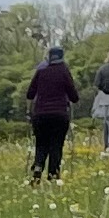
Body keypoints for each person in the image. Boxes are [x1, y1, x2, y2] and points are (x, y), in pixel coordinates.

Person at [25, 46, 79, 184]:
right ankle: (53, 176)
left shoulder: (41, 71)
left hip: (40, 114)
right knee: (56, 145)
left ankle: (38, 167)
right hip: (59, 114)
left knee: (41, 144)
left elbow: (30, 93)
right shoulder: (64, 71)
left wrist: (30, 110)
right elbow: (74, 96)